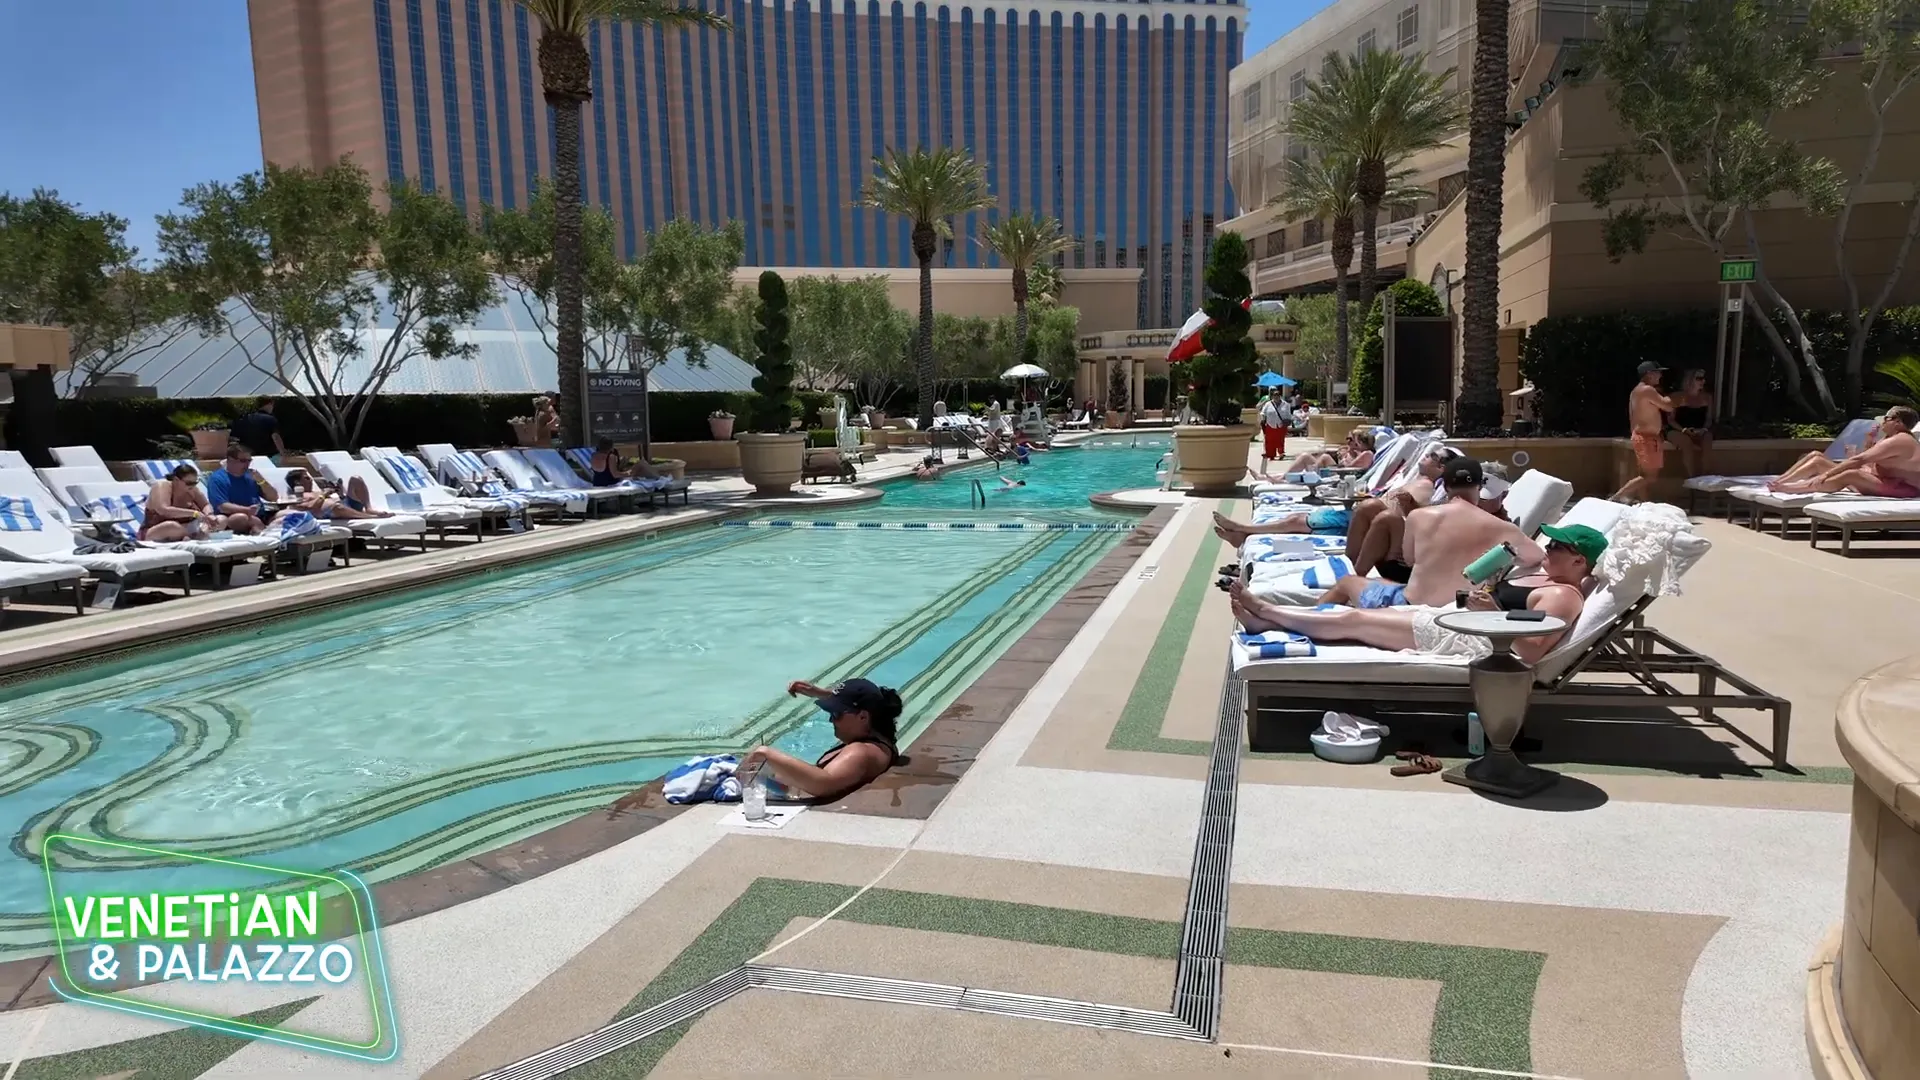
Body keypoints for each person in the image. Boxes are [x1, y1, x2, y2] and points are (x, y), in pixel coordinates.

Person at [1232, 523, 1606, 666]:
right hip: (1452, 619)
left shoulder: (1564, 597)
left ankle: (1267, 611)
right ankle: (1265, 620)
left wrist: (1490, 609)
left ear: (1579, 561)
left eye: (1559, 545)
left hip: (1465, 639)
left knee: (1354, 619)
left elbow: (1529, 650)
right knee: (1353, 614)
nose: (1549, 547)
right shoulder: (1543, 578)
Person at [1308, 458, 1543, 609]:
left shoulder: (1419, 517)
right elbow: (1536, 557)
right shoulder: (1506, 530)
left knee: (1348, 583)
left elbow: (1410, 560)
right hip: (1462, 606)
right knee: (1377, 578)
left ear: (1446, 487)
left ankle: (1309, 619)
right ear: (1479, 488)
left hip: (1413, 606)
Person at [1771, 406, 1920, 497]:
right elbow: (1867, 461)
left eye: (1886, 419)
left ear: (1898, 422)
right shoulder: (1889, 438)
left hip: (1903, 488)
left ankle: (1794, 489)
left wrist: (1826, 474)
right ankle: (1779, 481)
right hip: (1880, 479)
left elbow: (1858, 461)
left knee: (1850, 474)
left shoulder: (1901, 440)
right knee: (1816, 457)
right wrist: (1868, 443)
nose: (1882, 423)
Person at [1611, 361, 1674, 503]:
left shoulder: (1636, 391)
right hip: (1646, 438)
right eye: (1657, 372)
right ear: (1649, 374)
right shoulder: (1647, 390)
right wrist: (1676, 396)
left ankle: (1644, 503)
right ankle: (1616, 497)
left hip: (1644, 437)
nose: (1660, 375)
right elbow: (1668, 406)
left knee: (1643, 475)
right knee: (1649, 476)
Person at [259, 468, 393, 520]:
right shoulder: (298, 496)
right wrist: (324, 495)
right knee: (336, 507)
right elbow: (313, 508)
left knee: (355, 479)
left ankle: (368, 508)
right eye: (306, 478)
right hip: (335, 510)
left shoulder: (315, 491)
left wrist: (339, 492)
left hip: (346, 505)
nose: (311, 480)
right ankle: (369, 518)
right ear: (296, 482)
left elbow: (339, 499)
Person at [142, 464, 229, 541]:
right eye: (189, 483)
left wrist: (209, 514)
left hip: (186, 528)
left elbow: (205, 505)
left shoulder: (191, 489)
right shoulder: (162, 486)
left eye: (195, 482)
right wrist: (194, 513)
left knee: (222, 519)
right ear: (176, 480)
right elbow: (163, 510)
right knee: (171, 526)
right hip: (157, 530)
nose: (192, 485)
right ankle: (196, 535)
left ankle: (191, 536)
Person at [201, 446, 271, 533]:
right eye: (243, 461)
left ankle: (261, 530)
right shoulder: (217, 479)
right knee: (241, 517)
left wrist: (261, 481)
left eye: (249, 460)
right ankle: (260, 531)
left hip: (260, 515)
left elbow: (273, 497)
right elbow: (222, 507)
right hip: (233, 518)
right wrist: (247, 510)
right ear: (230, 460)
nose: (247, 464)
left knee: (287, 514)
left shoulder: (252, 475)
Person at [1668, 370, 1714, 479]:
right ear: (1690, 380)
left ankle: (1705, 476)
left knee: (1708, 438)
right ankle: (1691, 478)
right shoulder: (1677, 397)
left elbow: (1709, 418)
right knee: (1686, 443)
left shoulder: (1707, 397)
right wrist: (1684, 430)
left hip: (1699, 429)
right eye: (1699, 378)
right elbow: (1670, 420)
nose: (1703, 381)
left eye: (1703, 378)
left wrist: (1704, 429)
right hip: (1678, 429)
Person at [1285, 428, 1376, 475]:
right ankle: (1284, 477)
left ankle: (1309, 476)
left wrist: (1343, 459)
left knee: (1324, 457)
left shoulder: (1366, 453)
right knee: (1306, 456)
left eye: (1351, 439)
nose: (1348, 441)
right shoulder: (1356, 452)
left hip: (1342, 475)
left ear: (1359, 442)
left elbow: (1348, 467)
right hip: (1340, 473)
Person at [588, 437, 665, 486]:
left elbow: (604, 471)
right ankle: (661, 480)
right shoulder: (610, 457)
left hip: (597, 483)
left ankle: (659, 479)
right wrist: (628, 473)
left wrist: (622, 466)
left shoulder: (593, 455)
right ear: (611, 447)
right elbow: (615, 475)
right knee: (641, 463)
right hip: (610, 483)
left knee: (636, 470)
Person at [1258, 387, 1292, 463]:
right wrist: (1263, 420)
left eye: (1277, 395)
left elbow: (1289, 415)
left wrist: (1288, 422)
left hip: (1281, 425)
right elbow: (1263, 413)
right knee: (1270, 440)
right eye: (1274, 395)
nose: (1276, 396)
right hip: (1270, 424)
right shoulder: (1268, 404)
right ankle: (1271, 454)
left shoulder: (1285, 404)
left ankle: (1281, 453)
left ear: (1280, 396)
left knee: (1280, 440)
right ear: (1272, 396)